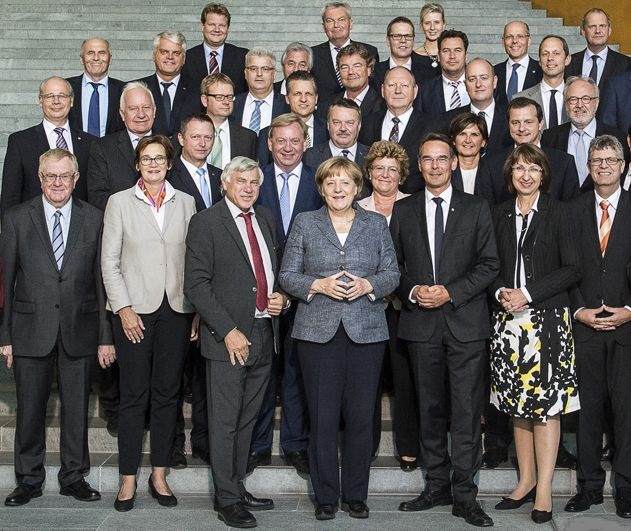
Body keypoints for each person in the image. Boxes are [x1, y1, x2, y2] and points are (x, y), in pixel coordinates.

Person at [279, 156, 399, 520]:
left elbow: (392, 273)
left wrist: (368, 285)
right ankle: (327, 496)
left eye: (345, 183)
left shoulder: (376, 224)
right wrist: (318, 284)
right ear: (321, 188)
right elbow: (287, 275)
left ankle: (356, 495)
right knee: (323, 417)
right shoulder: (305, 222)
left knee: (362, 417)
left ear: (357, 187)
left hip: (367, 332)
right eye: (331, 183)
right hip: (317, 333)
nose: (338, 189)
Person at [391, 133, 498, 527]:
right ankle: (436, 484)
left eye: (442, 159)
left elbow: (489, 265)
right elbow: (393, 269)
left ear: (454, 162)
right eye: (427, 160)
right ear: (418, 165)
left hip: (466, 324)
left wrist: (450, 293)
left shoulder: (476, 207)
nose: (435, 166)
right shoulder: (404, 211)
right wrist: (416, 290)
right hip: (420, 326)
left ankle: (465, 495)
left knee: (467, 412)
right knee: (429, 409)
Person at [1, 148, 113, 507]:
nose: (58, 183)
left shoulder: (94, 218)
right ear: (40, 178)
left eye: (65, 176)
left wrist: (104, 337)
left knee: (77, 409)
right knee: (30, 410)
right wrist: (4, 336)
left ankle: (73, 477)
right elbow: (5, 282)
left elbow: (100, 281)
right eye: (51, 176)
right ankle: (29, 479)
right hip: (30, 330)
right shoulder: (17, 218)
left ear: (76, 178)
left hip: (79, 328)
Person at [184, 156, 286, 529]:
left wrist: (282, 299)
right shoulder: (206, 222)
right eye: (240, 181)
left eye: (254, 183)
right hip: (228, 338)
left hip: (263, 331)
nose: (248, 188)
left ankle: (237, 485)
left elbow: (272, 273)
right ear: (225, 184)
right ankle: (226, 499)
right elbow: (196, 284)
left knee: (248, 419)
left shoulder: (266, 219)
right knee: (225, 422)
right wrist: (227, 330)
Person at [101, 135, 196, 511]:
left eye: (159, 158)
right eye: (146, 158)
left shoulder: (185, 202)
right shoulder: (119, 202)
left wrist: (196, 311)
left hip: (176, 309)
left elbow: (196, 260)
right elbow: (109, 262)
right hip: (134, 313)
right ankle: (127, 478)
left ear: (169, 163)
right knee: (134, 395)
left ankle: (159, 473)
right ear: (137, 164)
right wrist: (122, 308)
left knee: (167, 395)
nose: (153, 164)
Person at [490, 143, 580, 524]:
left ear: (544, 175)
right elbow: (488, 263)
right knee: (517, 406)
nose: (525, 175)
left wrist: (527, 293)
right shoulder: (497, 214)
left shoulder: (560, 213)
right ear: (510, 175)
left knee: (545, 409)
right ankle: (525, 479)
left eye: (533, 169)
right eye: (519, 169)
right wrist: (500, 292)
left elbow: (573, 268)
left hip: (546, 323)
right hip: (507, 324)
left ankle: (544, 488)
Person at [248, 113, 322, 476]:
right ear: (270, 143)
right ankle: (258, 444)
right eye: (281, 141)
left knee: (296, 371)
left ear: (305, 143)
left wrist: (294, 290)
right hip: (258, 292)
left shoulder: (319, 182)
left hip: (306, 294)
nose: (288, 147)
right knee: (260, 372)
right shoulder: (253, 181)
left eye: (295, 141)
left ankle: (295, 444)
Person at [566, 134, 631, 520]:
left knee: (626, 411)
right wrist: (578, 311)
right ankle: (589, 487)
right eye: (597, 161)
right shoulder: (571, 210)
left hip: (626, 328)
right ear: (588, 168)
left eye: (611, 160)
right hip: (586, 326)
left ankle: (625, 487)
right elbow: (563, 267)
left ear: (623, 166)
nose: (603, 166)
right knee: (587, 411)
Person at [167, 113, 223, 467]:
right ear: (181, 139)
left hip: (212, 291)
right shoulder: (167, 178)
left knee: (204, 376)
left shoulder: (222, 178)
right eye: (195, 136)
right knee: (173, 374)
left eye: (208, 137)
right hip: (174, 287)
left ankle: (204, 439)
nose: (202, 142)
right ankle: (173, 443)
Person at [357, 141, 416, 470]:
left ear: (402, 174)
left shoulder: (414, 206)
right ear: (369, 172)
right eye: (379, 168)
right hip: (366, 306)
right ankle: (364, 446)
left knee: (405, 380)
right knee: (367, 382)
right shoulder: (356, 206)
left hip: (403, 307)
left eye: (392, 169)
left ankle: (408, 445)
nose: (385, 174)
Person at [1, 76, 94, 214]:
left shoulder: (90, 143)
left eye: (62, 96)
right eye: (50, 96)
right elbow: (10, 196)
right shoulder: (20, 142)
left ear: (72, 101)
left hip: (79, 228)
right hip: (32, 227)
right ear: (40, 101)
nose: (56, 101)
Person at [478, 97, 579, 207]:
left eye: (528, 122)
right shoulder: (490, 164)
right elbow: (487, 213)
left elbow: (571, 211)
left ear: (540, 124)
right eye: (515, 122)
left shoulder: (564, 162)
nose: (521, 128)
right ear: (508, 125)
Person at [541, 76, 629, 191]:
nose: (579, 105)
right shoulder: (549, 137)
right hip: (561, 206)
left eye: (586, 98)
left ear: (596, 102)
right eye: (573, 99)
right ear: (566, 104)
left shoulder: (618, 138)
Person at [359, 67, 435, 194]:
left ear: (415, 91)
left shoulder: (432, 125)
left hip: (415, 204)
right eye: (392, 85)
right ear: (383, 90)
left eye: (404, 85)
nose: (398, 91)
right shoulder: (366, 123)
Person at [87, 81, 158, 212]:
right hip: (121, 226)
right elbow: (97, 196)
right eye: (133, 108)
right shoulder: (102, 148)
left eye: (146, 107)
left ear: (154, 111)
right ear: (122, 114)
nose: (141, 114)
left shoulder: (171, 146)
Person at [310, 2, 379, 107]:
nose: (336, 25)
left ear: (350, 23)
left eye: (341, 20)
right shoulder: (312, 54)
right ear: (324, 27)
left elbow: (374, 88)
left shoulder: (370, 51)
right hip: (325, 114)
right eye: (330, 21)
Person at [442, 57, 512, 157]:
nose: (478, 84)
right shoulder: (448, 119)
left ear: (494, 81)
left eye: (484, 78)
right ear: (465, 85)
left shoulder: (511, 116)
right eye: (472, 79)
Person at [137, 31, 201, 137]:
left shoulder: (197, 90)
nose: (170, 57)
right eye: (164, 52)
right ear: (154, 56)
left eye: (176, 53)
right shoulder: (138, 88)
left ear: (184, 59)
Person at [257, 71, 327, 166]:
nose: (303, 99)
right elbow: (264, 171)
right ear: (287, 98)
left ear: (316, 99)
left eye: (309, 94)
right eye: (297, 94)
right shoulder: (268, 133)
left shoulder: (328, 130)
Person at [182, 2, 248, 94]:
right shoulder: (186, 58)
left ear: (228, 28)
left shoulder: (243, 57)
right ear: (202, 26)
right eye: (212, 24)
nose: (217, 29)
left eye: (222, 25)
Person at [66, 37, 125, 137]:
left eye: (102, 53)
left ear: (110, 59)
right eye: (90, 53)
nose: (96, 58)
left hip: (112, 151)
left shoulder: (124, 90)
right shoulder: (66, 87)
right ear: (81, 59)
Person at [564, 8, 630, 93]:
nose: (598, 31)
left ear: (609, 30)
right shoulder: (569, 63)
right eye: (592, 26)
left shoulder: (626, 64)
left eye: (602, 26)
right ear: (583, 31)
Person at [514, 35, 572, 130]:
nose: (550, 58)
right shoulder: (521, 98)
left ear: (567, 59)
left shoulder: (577, 98)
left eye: (556, 53)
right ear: (540, 61)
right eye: (545, 54)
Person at [304, 98, 370, 181]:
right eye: (337, 122)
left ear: (359, 125)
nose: (343, 128)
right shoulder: (309, 157)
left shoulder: (371, 156)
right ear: (328, 125)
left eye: (349, 123)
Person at [200, 72, 257, 166]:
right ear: (205, 100)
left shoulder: (248, 138)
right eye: (219, 97)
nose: (226, 102)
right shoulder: (190, 134)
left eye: (230, 97)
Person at [317, 42, 383, 121]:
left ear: (369, 70)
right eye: (345, 67)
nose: (351, 72)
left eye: (357, 66)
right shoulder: (325, 106)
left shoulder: (382, 105)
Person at [231, 48, 289, 134]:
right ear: (246, 74)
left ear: (274, 74)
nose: (259, 74)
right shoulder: (232, 104)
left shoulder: (287, 105)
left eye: (265, 69)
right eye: (253, 69)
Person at [372, 16, 437, 92]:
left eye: (408, 36)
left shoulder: (429, 74)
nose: (403, 40)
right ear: (388, 41)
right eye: (397, 36)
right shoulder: (374, 72)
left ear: (413, 41)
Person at [419, 29, 470, 116]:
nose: (452, 56)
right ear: (438, 56)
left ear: (466, 55)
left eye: (457, 50)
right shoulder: (424, 91)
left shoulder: (480, 86)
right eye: (446, 51)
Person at [494, 21, 543, 105]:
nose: (515, 41)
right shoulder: (494, 72)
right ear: (503, 42)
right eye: (509, 37)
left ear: (529, 41)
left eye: (520, 36)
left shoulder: (542, 71)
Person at [449, 112, 488, 195]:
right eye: (462, 134)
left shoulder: (492, 172)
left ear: (483, 142)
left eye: (474, 135)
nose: (468, 140)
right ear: (453, 140)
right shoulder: (446, 170)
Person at [413, 3, 446, 75]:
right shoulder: (412, 57)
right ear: (421, 26)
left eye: (437, 22)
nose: (432, 27)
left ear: (443, 25)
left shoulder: (451, 56)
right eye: (427, 23)